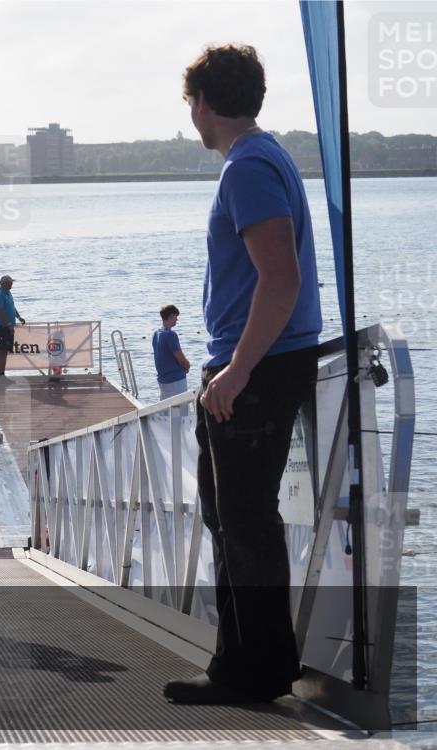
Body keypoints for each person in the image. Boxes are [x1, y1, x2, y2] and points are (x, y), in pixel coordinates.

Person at [163, 44, 322, 705]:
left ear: (203, 102)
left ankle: (248, 672)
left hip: (254, 370)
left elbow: (279, 280)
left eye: (189, 103)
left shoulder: (247, 169)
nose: (190, 116)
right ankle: (250, 661)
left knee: (244, 522)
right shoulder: (266, 156)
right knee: (236, 520)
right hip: (261, 365)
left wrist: (235, 371)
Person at [152, 304, 190, 399]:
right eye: (176, 316)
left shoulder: (156, 334)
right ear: (171, 316)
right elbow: (181, 359)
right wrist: (187, 365)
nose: (177, 319)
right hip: (176, 380)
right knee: (181, 410)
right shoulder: (170, 335)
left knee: (166, 410)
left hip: (163, 379)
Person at [0, 275, 26, 377]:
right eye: (10, 283)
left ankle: (2, 374)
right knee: (1, 351)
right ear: (4, 283)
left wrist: (19, 317)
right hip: (1, 327)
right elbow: (0, 311)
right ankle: (0, 374)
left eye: (12, 282)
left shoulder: (9, 294)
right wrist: (9, 324)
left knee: (5, 350)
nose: (12, 284)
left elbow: (12, 307)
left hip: (8, 326)